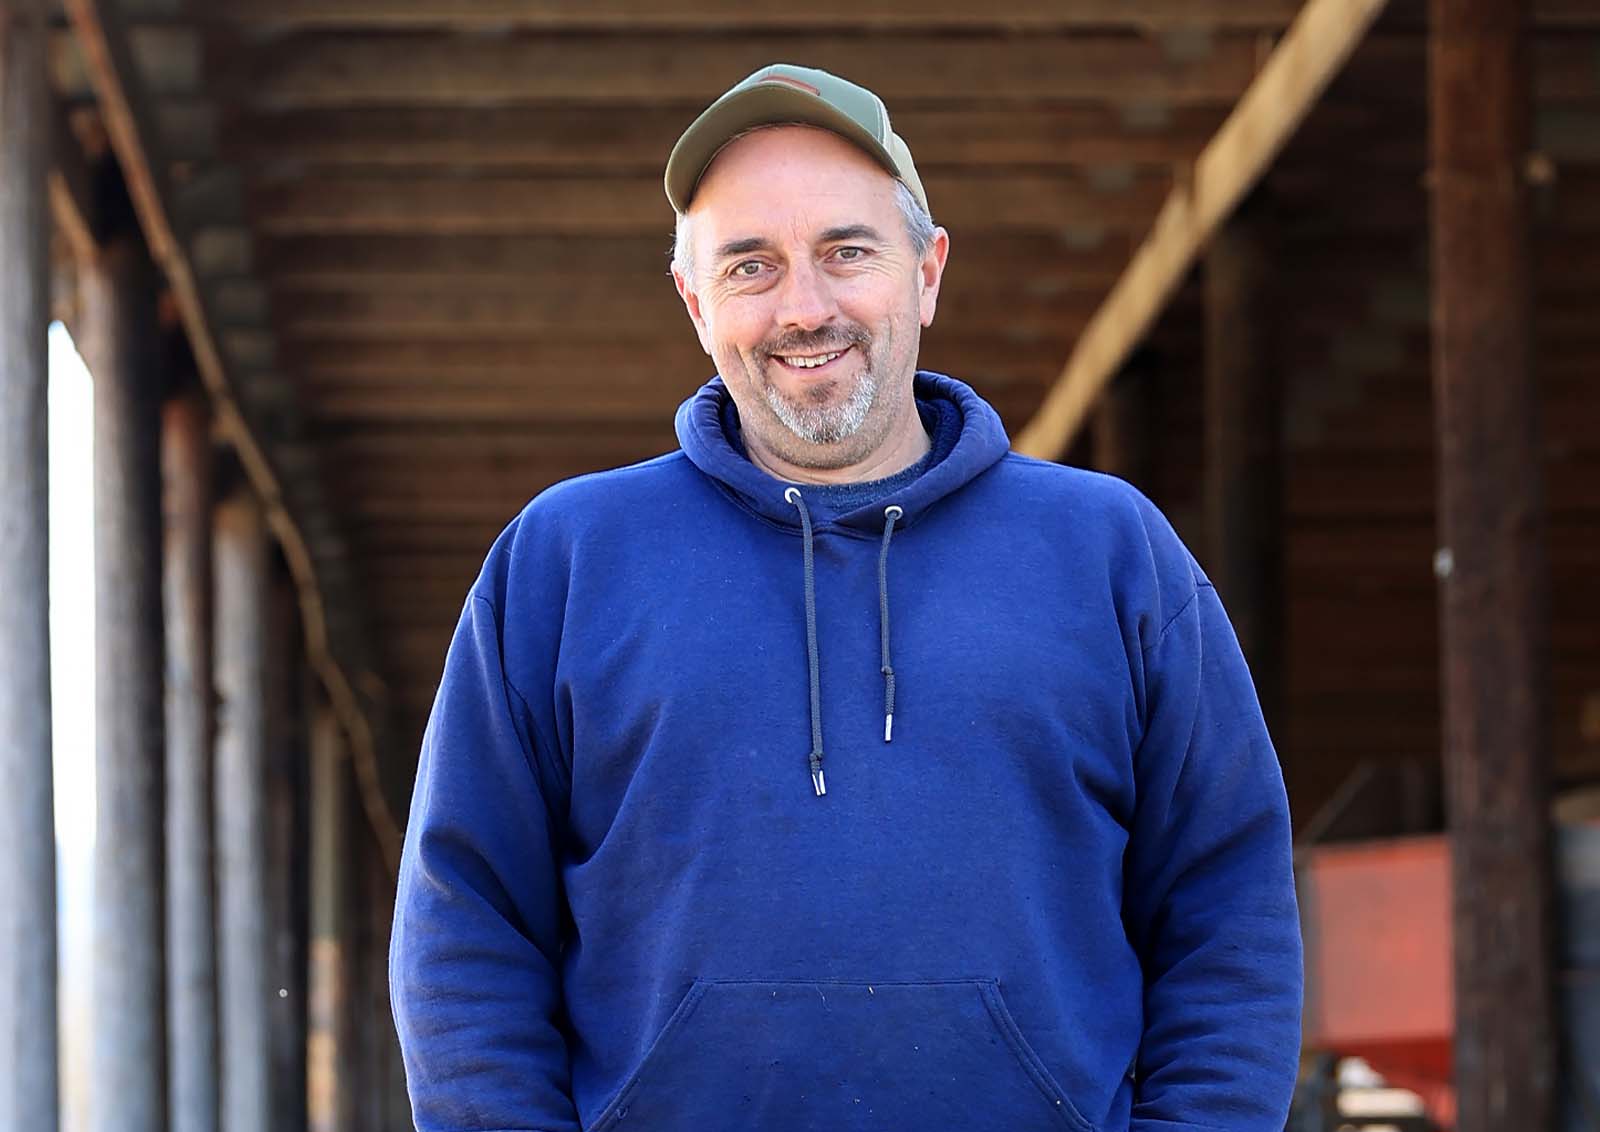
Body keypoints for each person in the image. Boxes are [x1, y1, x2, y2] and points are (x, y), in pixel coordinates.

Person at [390, 63, 1302, 1132]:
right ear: (695, 301)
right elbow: (465, 927)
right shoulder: (565, 560)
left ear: (926, 271)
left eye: (846, 252)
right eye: (750, 266)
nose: (804, 307)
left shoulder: (1109, 553)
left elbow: (1226, 911)